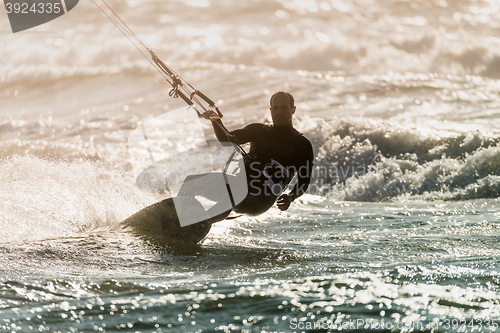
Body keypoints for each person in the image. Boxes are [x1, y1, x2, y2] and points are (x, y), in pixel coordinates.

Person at [199, 91, 314, 218]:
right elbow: (227, 139)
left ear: (293, 110)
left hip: (262, 197)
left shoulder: (301, 143)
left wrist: (291, 197)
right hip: (238, 183)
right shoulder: (259, 131)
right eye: (275, 108)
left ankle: (199, 222)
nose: (278, 111)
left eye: (283, 107)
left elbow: (304, 180)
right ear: (270, 110)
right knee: (192, 182)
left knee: (234, 195)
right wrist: (216, 121)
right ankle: (176, 217)